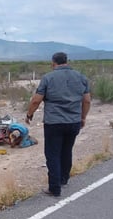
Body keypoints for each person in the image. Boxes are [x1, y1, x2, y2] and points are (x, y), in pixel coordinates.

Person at [26, 52, 91, 197]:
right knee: (67, 150)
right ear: (66, 61)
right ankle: (63, 179)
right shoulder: (81, 77)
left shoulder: (48, 78)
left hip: (54, 122)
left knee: (53, 154)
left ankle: (54, 188)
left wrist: (29, 114)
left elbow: (36, 100)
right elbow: (86, 100)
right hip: (73, 121)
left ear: (53, 62)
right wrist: (83, 117)